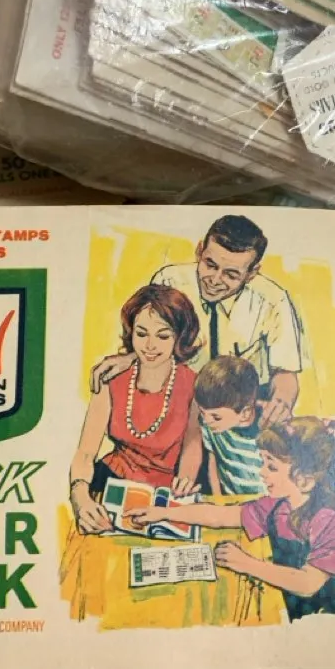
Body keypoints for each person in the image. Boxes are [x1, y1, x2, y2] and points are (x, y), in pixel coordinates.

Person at [126, 416, 335, 621]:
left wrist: (246, 564)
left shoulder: (329, 522)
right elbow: (219, 515)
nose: (261, 472)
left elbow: (307, 584)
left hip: (319, 621)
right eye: (263, 463)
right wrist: (164, 513)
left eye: (271, 467)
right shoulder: (275, 507)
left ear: (305, 480)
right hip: (280, 603)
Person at [90, 215, 302, 428]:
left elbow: (285, 372)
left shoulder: (274, 300)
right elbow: (155, 339)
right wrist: (130, 358)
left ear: (252, 273)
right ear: (200, 251)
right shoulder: (169, 282)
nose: (215, 280)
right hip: (180, 403)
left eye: (231, 275)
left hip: (240, 412)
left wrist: (281, 403)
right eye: (210, 265)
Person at [69, 285, 203, 534]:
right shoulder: (110, 378)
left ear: (179, 337)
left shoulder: (193, 385)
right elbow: (85, 452)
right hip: (110, 483)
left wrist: (185, 482)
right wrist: (80, 497)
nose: (150, 345)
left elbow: (192, 447)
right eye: (142, 334)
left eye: (163, 336)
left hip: (165, 493)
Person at [194, 356, 264, 496]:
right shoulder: (211, 425)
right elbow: (213, 461)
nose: (206, 421)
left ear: (244, 413)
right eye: (202, 412)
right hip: (230, 502)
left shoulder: (266, 436)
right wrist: (218, 499)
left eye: (216, 417)